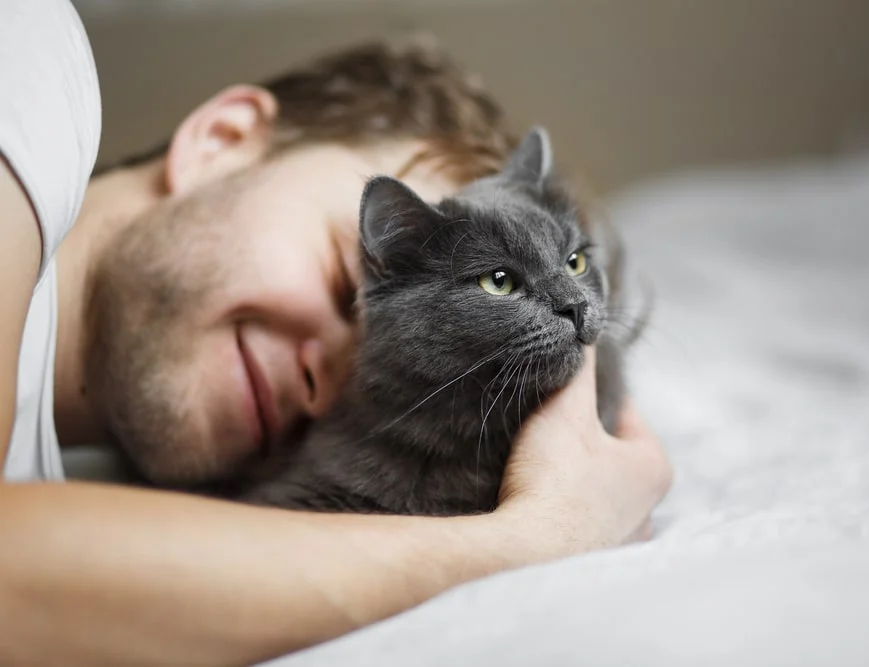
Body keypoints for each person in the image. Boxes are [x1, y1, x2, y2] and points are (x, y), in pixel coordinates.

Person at [0, 1, 672, 665]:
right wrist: (533, 541)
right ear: (224, 140)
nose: (324, 393)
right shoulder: (26, 61)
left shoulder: (64, 490)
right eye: (342, 279)